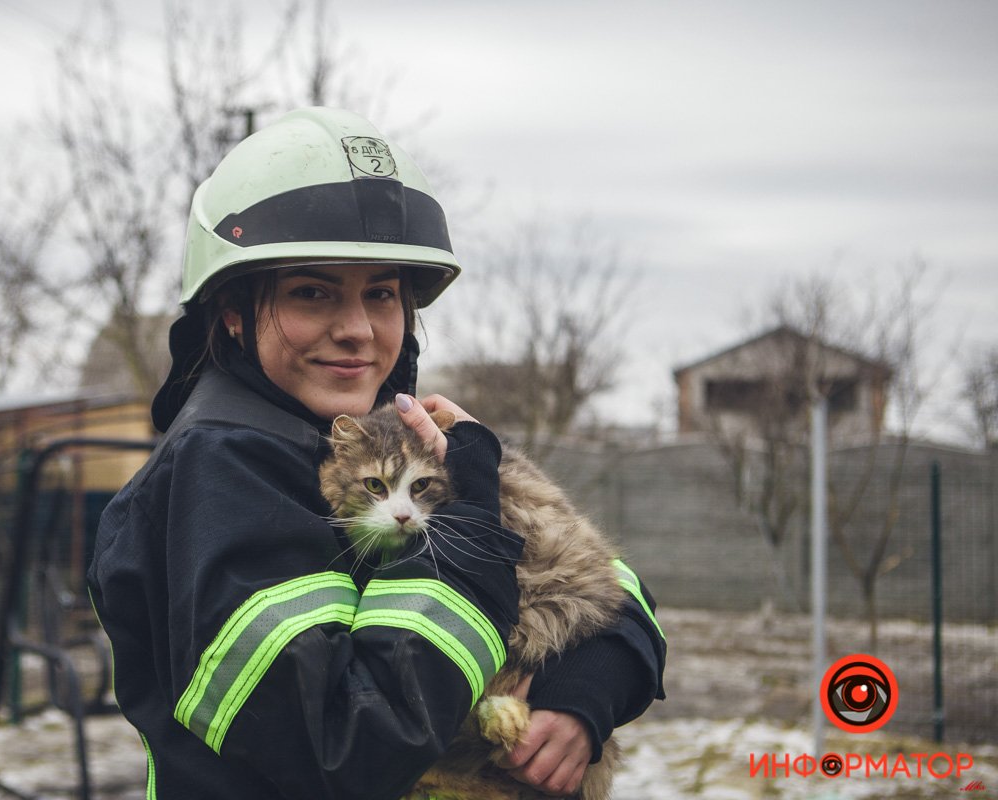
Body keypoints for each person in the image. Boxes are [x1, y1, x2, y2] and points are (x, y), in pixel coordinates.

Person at [87, 107, 665, 800]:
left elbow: (609, 583)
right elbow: (343, 747)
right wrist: (475, 528)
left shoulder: (389, 438)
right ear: (233, 311)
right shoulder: (220, 476)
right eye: (312, 292)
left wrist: (584, 694)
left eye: (381, 294)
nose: (357, 329)